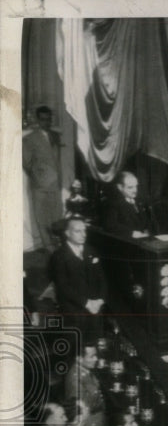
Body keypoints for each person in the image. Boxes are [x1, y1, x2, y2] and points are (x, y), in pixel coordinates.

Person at [48, 217, 107, 340]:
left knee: (95, 345)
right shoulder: (58, 257)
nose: (83, 235)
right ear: (67, 233)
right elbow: (63, 286)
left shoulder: (91, 251)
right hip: (74, 310)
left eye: (84, 230)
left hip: (95, 307)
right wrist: (86, 303)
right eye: (77, 231)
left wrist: (100, 299)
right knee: (78, 348)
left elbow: (101, 278)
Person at [23, 106, 63, 251]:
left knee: (56, 215)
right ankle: (49, 248)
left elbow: (56, 159)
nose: (46, 122)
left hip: (55, 183)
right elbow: (26, 162)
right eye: (43, 119)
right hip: (40, 185)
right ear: (38, 120)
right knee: (42, 217)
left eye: (49, 119)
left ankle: (58, 244)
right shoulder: (29, 138)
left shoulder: (55, 136)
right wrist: (38, 176)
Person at [64, 341, 107, 426]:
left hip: (97, 422)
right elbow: (81, 411)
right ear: (79, 358)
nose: (96, 359)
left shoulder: (85, 372)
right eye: (92, 356)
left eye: (96, 355)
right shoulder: (75, 378)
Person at [103, 171, 152, 238]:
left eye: (136, 186)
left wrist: (148, 230)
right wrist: (132, 233)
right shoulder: (114, 203)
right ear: (120, 187)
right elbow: (110, 225)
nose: (135, 190)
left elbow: (145, 221)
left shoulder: (138, 201)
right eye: (130, 187)